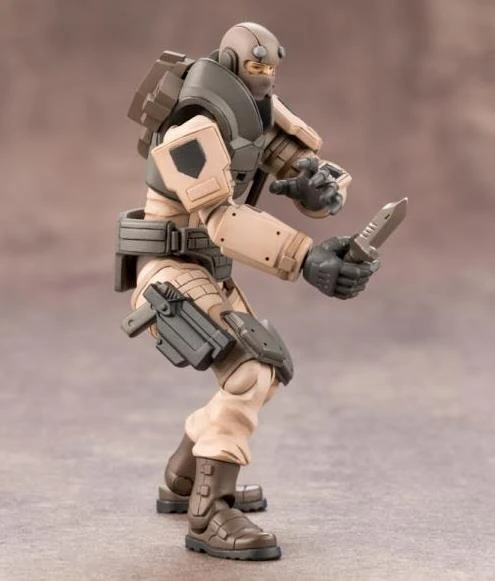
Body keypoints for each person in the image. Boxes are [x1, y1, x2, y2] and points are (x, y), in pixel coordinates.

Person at [116, 22, 379, 561]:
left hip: (205, 269)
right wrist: (306, 257)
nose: (266, 75)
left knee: (268, 370)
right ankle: (210, 510)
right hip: (167, 272)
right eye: (257, 65)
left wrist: (316, 190)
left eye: (271, 66)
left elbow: (307, 167)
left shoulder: (254, 111)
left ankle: (185, 476)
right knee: (249, 370)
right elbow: (220, 218)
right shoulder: (190, 124)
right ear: (234, 63)